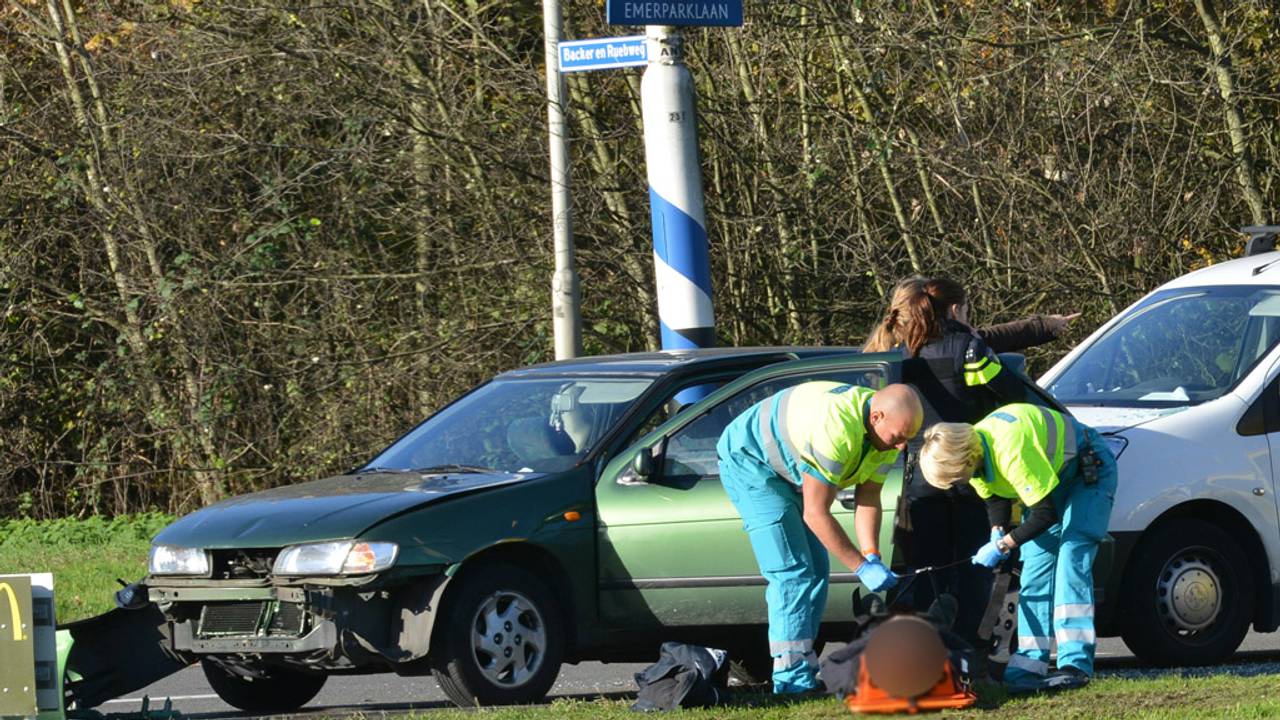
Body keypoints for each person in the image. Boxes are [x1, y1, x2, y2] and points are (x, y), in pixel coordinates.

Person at [862, 277, 1078, 645]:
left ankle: (923, 649)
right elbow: (1012, 392)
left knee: (925, 570)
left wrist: (1041, 326)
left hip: (921, 477)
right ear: (955, 309)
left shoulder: (896, 352)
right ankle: (971, 650)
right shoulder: (967, 347)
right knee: (975, 569)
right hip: (970, 466)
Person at [716, 381, 925, 694]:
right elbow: (816, 513)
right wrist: (860, 567)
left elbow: (869, 497)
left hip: (788, 469)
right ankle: (790, 680)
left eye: (906, 438)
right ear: (876, 417)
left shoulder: (885, 436)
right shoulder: (836, 429)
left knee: (816, 569)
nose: (900, 447)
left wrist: (871, 554)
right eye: (897, 437)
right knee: (793, 573)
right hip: (750, 460)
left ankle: (802, 668)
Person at [917, 405, 1116, 692]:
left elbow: (1044, 514)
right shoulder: (975, 452)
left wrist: (1003, 545)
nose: (959, 484)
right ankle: (1029, 663)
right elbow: (995, 497)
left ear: (964, 459)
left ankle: (1075, 665)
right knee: (1035, 568)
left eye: (957, 478)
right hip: (1050, 481)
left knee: (1071, 559)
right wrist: (996, 530)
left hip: (1086, 471)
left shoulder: (1010, 449)